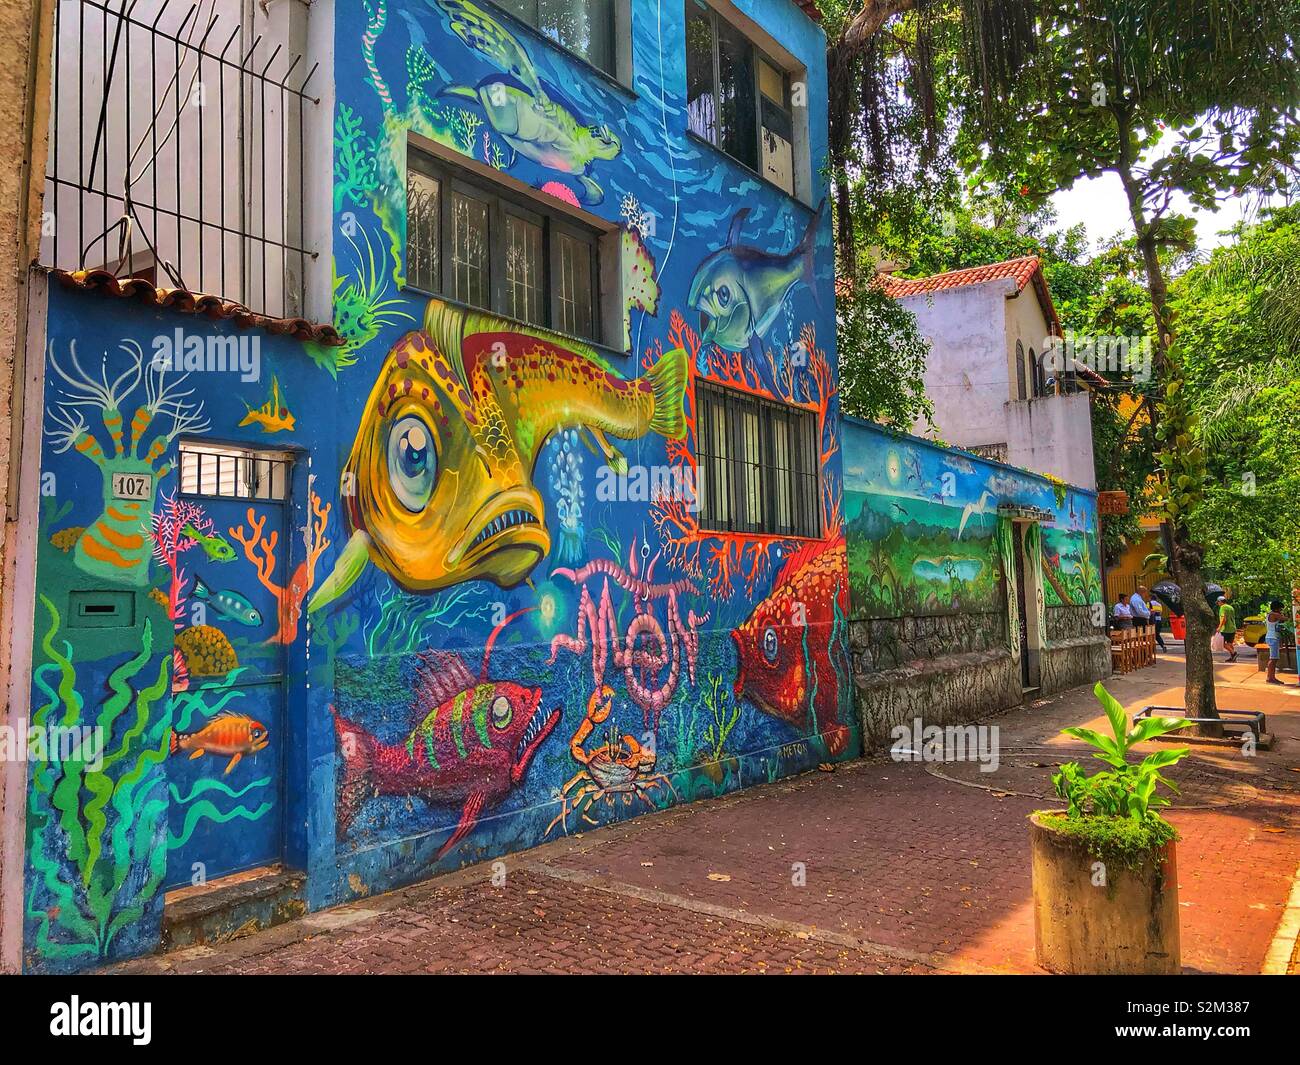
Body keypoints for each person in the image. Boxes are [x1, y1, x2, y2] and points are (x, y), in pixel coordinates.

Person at [1265, 600, 1285, 684]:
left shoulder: (1270, 614)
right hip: (1273, 637)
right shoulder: (1274, 614)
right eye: (1280, 608)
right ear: (1276, 608)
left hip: (1272, 637)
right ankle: (1270, 678)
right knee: (1273, 658)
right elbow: (1285, 619)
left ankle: (1272, 677)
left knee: (1274, 658)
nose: (1281, 610)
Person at [1217, 587, 1238, 663]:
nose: (1218, 604)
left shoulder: (1222, 607)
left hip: (1226, 629)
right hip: (1233, 628)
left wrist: (1219, 627)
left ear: (1220, 602)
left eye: (1218, 602)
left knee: (1222, 644)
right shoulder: (1231, 607)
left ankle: (1233, 653)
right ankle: (1233, 658)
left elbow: (1224, 619)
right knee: (1229, 644)